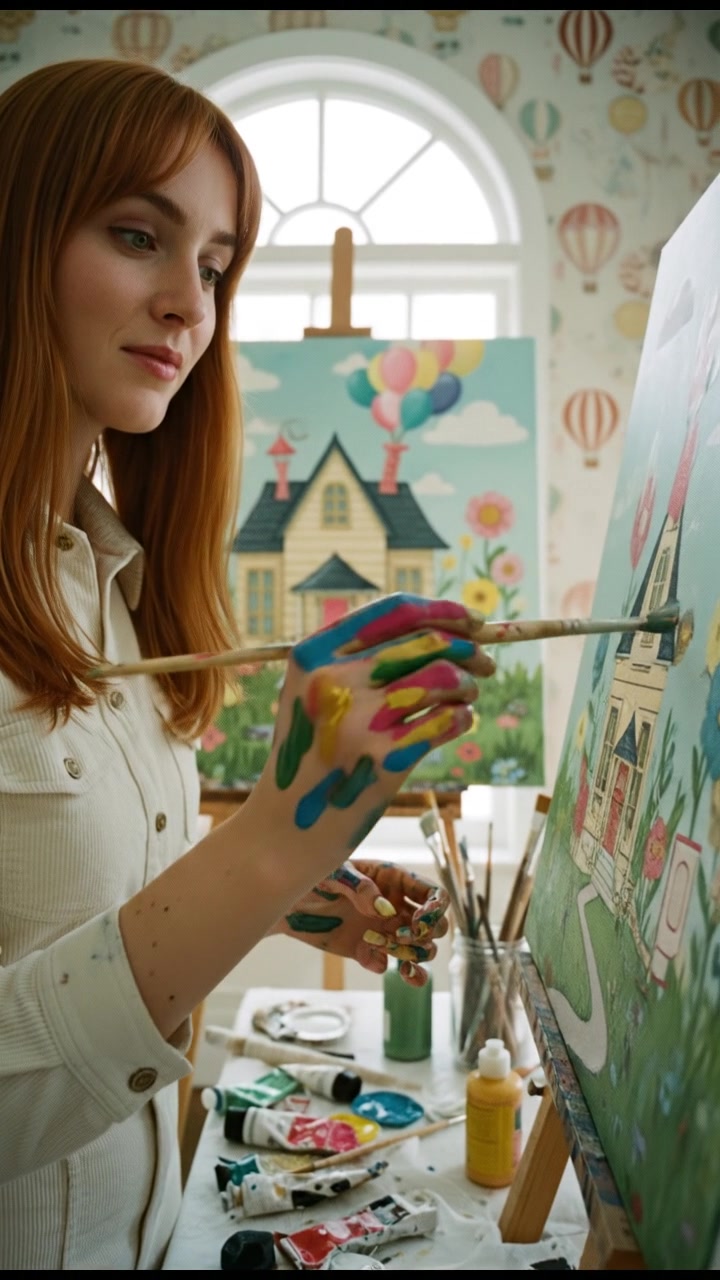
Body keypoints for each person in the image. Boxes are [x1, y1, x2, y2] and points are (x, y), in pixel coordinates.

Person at [0, 59, 495, 1269]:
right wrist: (276, 833)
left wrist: (271, 880)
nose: (189, 301)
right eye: (137, 235)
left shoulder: (106, 583)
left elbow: (65, 902)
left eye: (217, 267)